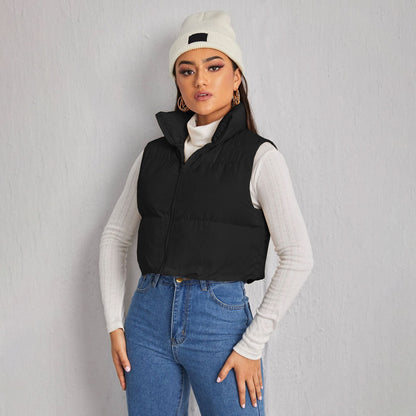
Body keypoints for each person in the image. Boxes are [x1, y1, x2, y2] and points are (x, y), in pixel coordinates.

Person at [99, 10, 314, 416]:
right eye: (187, 70)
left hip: (220, 326)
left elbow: (298, 255)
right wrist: (114, 324)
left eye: (214, 67)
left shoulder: (260, 157)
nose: (200, 80)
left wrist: (252, 345)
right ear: (178, 84)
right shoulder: (153, 155)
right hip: (147, 321)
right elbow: (114, 236)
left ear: (236, 78)